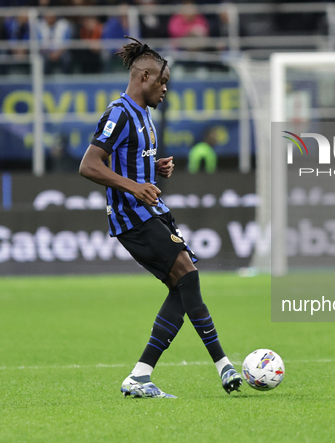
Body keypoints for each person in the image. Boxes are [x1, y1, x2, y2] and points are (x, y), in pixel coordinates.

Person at [78, 36, 243, 398]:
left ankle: (140, 376)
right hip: (133, 215)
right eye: (162, 81)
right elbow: (89, 165)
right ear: (145, 76)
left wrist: (154, 167)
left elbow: (129, 159)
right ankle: (223, 365)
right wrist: (134, 187)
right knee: (188, 274)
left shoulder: (144, 115)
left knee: (181, 288)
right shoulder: (119, 112)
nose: (165, 88)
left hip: (152, 210)